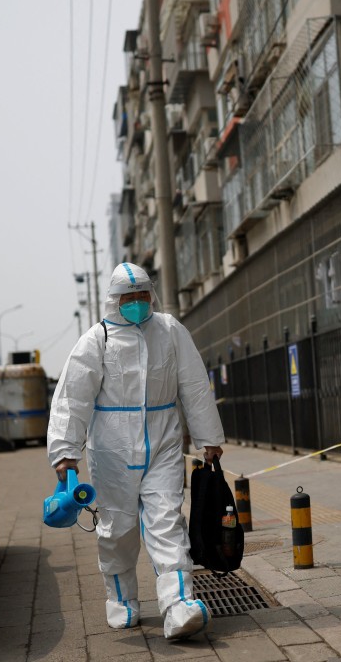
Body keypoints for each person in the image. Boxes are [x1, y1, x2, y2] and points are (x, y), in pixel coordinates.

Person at [47, 262, 224, 640]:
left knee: (166, 522)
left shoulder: (170, 331)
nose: (137, 303)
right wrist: (65, 451)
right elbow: (72, 397)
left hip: (163, 442)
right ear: (114, 301)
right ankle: (122, 600)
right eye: (129, 298)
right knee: (117, 529)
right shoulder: (98, 339)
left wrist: (209, 437)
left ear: (152, 295)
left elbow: (193, 384)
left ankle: (178, 605)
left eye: (143, 295)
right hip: (112, 450)